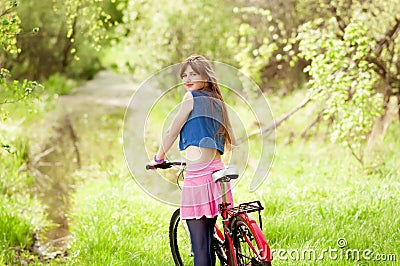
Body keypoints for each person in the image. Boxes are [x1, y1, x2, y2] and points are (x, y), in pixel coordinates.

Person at [149, 55, 236, 266]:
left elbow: (172, 131)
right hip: (218, 172)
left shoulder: (191, 97)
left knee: (201, 249)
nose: (187, 79)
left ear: (206, 76)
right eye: (184, 75)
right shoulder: (217, 100)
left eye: (193, 74)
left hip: (199, 178)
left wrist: (159, 158)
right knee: (211, 240)